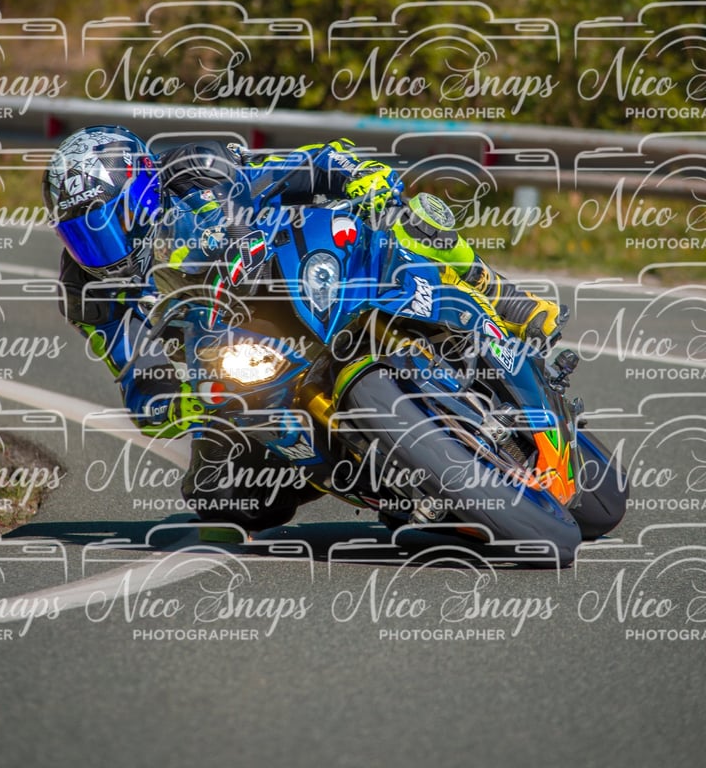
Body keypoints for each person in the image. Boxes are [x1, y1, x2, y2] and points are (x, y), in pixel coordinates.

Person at [42, 125, 565, 529]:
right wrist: (180, 399)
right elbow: (137, 379)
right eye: (79, 236)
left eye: (102, 224)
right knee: (222, 498)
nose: (98, 249)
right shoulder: (86, 292)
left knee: (411, 220)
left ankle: (503, 298)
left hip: (297, 269)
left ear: (139, 191)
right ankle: (386, 480)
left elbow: (305, 164)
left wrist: (360, 177)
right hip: (229, 358)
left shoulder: (198, 167)